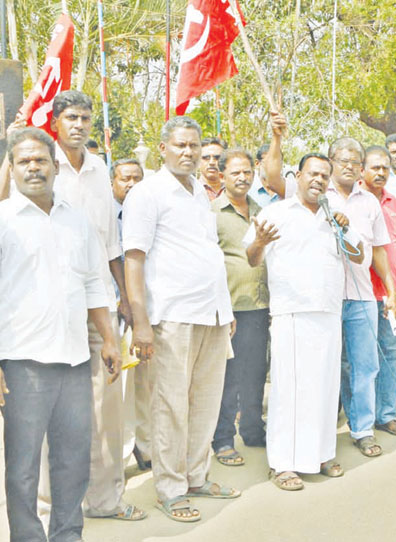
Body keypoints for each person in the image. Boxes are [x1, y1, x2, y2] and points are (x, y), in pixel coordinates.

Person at [0, 127, 121, 542]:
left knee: (73, 460)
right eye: (24, 161)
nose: (33, 167)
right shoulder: (2, 222)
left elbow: (92, 282)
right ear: (12, 168)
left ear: (55, 165)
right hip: (22, 364)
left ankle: (67, 535)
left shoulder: (76, 219)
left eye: (40, 160)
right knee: (23, 467)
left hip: (74, 360)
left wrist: (108, 337)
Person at [123, 116, 240, 523]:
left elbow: (208, 253)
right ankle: (170, 488)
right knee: (170, 405)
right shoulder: (147, 193)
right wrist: (140, 321)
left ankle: (195, 476)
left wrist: (224, 310)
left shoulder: (199, 194)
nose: (188, 153)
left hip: (211, 314)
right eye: (181, 146)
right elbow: (133, 259)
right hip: (171, 316)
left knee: (205, 403)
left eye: (194, 146)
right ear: (163, 149)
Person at [46, 90, 144, 522]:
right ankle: (49, 508)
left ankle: (105, 500)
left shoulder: (100, 167)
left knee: (107, 409)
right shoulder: (37, 163)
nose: (80, 125)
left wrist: (124, 297)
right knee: (51, 407)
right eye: (71, 117)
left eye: (85, 118)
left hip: (99, 303)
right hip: (50, 304)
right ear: (56, 121)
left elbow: (109, 243)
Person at [244, 153, 363, 491]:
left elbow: (359, 256)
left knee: (325, 386)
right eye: (313, 174)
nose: (319, 181)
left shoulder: (334, 215)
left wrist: (345, 228)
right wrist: (259, 243)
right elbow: (252, 259)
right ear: (297, 176)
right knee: (291, 390)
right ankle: (283, 463)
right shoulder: (275, 213)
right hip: (292, 313)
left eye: (325, 176)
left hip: (327, 311)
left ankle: (321, 454)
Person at [326, 137, 396, 458]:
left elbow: (379, 249)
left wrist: (391, 289)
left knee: (365, 366)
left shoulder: (369, 202)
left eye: (355, 162)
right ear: (330, 162)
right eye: (343, 161)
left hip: (363, 298)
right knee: (328, 366)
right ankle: (323, 429)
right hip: (324, 300)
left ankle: (363, 429)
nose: (350, 167)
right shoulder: (317, 197)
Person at [210, 148, 270, 467]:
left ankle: (252, 430)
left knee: (256, 373)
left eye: (247, 171)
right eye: (235, 172)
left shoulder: (262, 210)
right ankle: (222, 439)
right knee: (228, 378)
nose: (243, 177)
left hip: (259, 305)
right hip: (229, 309)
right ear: (222, 176)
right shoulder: (212, 213)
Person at [359, 145, 396, 438]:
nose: (380, 173)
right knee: (361, 360)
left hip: (391, 294)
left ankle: (385, 414)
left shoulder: (395, 202)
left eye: (384, 168)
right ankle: (360, 419)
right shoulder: (355, 200)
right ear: (362, 169)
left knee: (391, 353)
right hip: (361, 294)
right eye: (374, 167)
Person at [110, 158, 153, 472]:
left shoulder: (148, 213)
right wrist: (122, 299)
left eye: (137, 178)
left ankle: (146, 447)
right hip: (113, 311)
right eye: (125, 178)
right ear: (113, 181)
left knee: (145, 385)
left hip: (145, 310)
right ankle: (120, 455)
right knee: (119, 388)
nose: (131, 184)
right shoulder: (106, 215)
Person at [198, 136, 227, 201]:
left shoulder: (234, 190)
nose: (212, 162)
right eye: (206, 158)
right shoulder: (190, 191)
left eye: (217, 158)